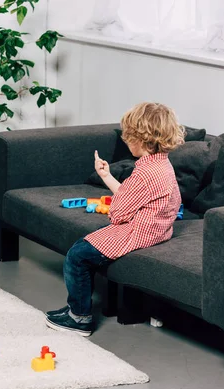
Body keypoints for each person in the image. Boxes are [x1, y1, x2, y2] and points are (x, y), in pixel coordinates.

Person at [45, 102, 185, 337]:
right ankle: (75, 309)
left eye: (128, 136)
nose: (125, 140)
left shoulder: (144, 173)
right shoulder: (163, 165)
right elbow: (134, 197)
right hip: (159, 228)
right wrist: (106, 176)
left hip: (139, 231)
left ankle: (79, 317)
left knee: (78, 255)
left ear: (140, 139)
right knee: (85, 246)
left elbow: (118, 213)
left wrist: (119, 208)